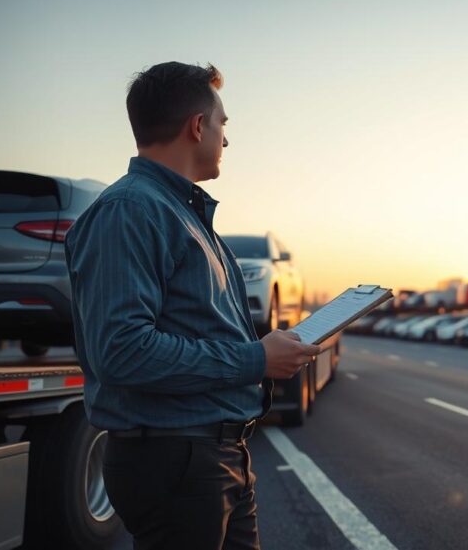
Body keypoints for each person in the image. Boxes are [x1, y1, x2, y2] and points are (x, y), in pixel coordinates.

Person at [65, 61, 318, 550]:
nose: (226, 139)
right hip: (176, 461)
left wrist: (264, 353)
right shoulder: (131, 210)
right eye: (223, 124)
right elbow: (121, 351)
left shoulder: (182, 214)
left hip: (215, 457)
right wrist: (256, 358)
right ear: (197, 126)